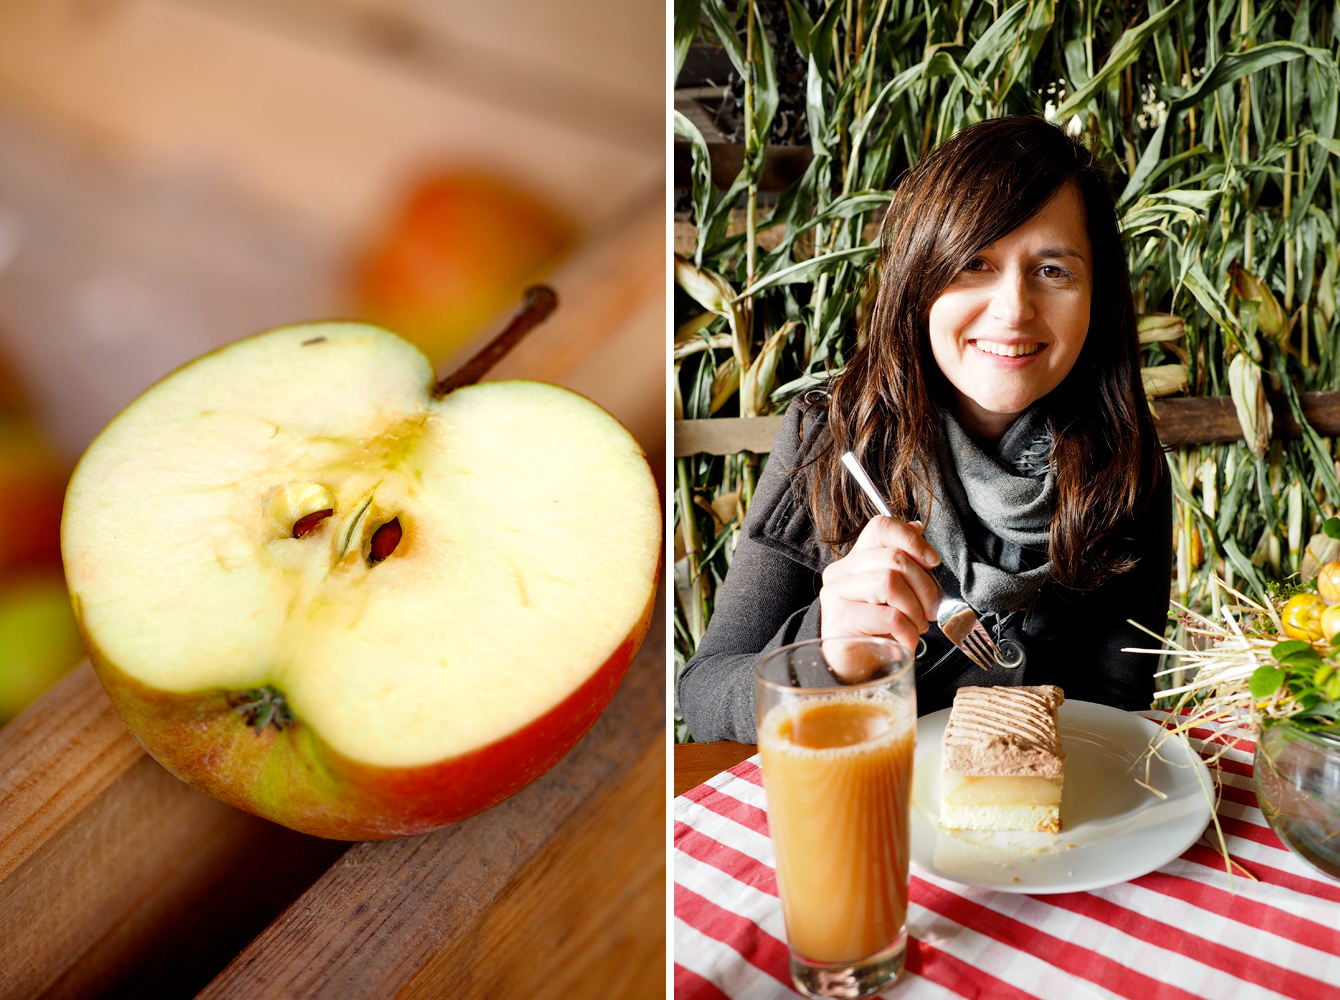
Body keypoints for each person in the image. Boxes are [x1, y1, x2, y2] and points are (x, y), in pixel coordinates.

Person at [677, 115, 1172, 744]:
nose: (1014, 308)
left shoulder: (1124, 464)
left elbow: (1118, 712)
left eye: (1053, 270)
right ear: (919, 280)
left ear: (1097, 296)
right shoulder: (829, 438)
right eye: (974, 263)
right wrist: (825, 653)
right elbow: (702, 694)